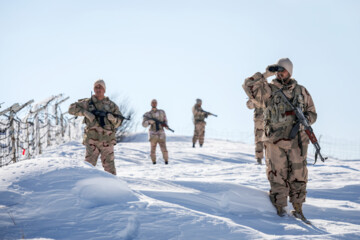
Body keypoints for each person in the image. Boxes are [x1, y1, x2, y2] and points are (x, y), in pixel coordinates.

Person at [242, 58, 317, 221]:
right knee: (277, 176)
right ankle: (280, 210)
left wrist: (305, 118)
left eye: (283, 70)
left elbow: (313, 113)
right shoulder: (268, 90)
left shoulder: (301, 91)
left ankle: (298, 209)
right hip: (275, 141)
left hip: (297, 141)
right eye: (278, 71)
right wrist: (265, 74)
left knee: (299, 175)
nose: (280, 73)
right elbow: (248, 86)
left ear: (290, 71)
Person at [68, 79, 123, 175]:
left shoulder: (111, 105)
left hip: (107, 141)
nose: (98, 89)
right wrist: (85, 112)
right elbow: (71, 109)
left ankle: (112, 188)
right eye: (96, 87)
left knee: (110, 168)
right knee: (88, 167)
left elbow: (120, 121)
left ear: (104, 90)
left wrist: (113, 119)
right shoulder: (87, 103)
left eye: (100, 87)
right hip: (92, 141)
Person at [142, 99, 169, 165]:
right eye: (153, 103)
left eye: (155, 103)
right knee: (153, 150)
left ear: (157, 104)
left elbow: (165, 120)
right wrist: (149, 122)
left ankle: (166, 161)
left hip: (161, 133)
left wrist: (166, 125)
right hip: (153, 134)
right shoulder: (147, 114)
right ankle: (153, 162)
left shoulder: (162, 112)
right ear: (151, 104)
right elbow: (143, 124)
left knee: (164, 149)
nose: (154, 104)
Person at [246, 99, 265, 165]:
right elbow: (249, 106)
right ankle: (259, 159)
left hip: (270, 118)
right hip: (259, 119)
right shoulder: (256, 92)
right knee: (259, 139)